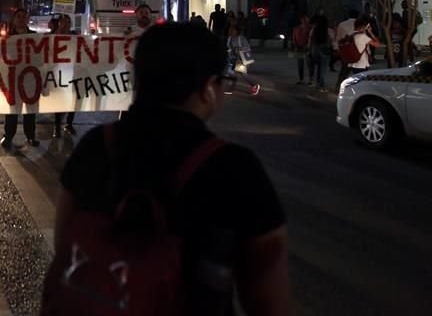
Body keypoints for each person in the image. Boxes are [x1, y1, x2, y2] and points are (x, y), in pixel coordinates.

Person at [50, 23, 291, 315]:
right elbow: (270, 300)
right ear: (207, 89)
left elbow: (64, 241)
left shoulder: (95, 147)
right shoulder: (235, 169)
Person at [1, 8, 38, 149]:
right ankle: (8, 136)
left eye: (24, 16)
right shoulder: (8, 37)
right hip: (13, 79)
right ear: (14, 19)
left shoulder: (34, 36)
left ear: (27, 19)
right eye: (18, 16)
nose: (21, 19)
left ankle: (30, 136)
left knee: (30, 110)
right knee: (12, 110)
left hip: (30, 79)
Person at [51, 14, 76, 137]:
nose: (65, 25)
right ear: (59, 23)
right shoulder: (52, 36)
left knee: (73, 99)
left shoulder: (75, 36)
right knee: (59, 100)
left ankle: (69, 124)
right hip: (57, 73)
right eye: (63, 22)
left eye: (68, 22)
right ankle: (57, 127)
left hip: (72, 72)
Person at [227, 24, 260, 96]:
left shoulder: (241, 38)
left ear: (237, 31)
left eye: (233, 30)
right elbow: (229, 48)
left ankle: (254, 86)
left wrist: (238, 49)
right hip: (233, 58)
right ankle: (231, 87)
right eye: (230, 30)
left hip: (241, 59)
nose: (231, 31)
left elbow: (247, 48)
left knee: (243, 74)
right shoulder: (229, 38)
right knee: (230, 72)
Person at [334, 9, 360, 91]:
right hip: (358, 50)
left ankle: (338, 87)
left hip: (346, 50)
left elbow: (338, 38)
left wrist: (337, 49)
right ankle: (359, 88)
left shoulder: (342, 25)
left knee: (344, 70)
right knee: (359, 72)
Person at [308, 14, 331, 91]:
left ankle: (315, 83)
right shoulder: (327, 30)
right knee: (322, 70)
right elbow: (332, 40)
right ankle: (321, 86)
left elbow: (310, 40)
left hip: (315, 50)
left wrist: (309, 50)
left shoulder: (314, 29)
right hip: (324, 50)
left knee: (317, 68)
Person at [290, 15, 311, 85]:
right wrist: (295, 46)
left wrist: (308, 45)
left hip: (307, 48)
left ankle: (311, 79)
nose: (304, 21)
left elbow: (310, 38)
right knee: (300, 64)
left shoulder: (309, 28)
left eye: (306, 20)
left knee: (309, 64)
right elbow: (294, 38)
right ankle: (301, 79)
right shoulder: (297, 28)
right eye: (303, 20)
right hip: (299, 47)